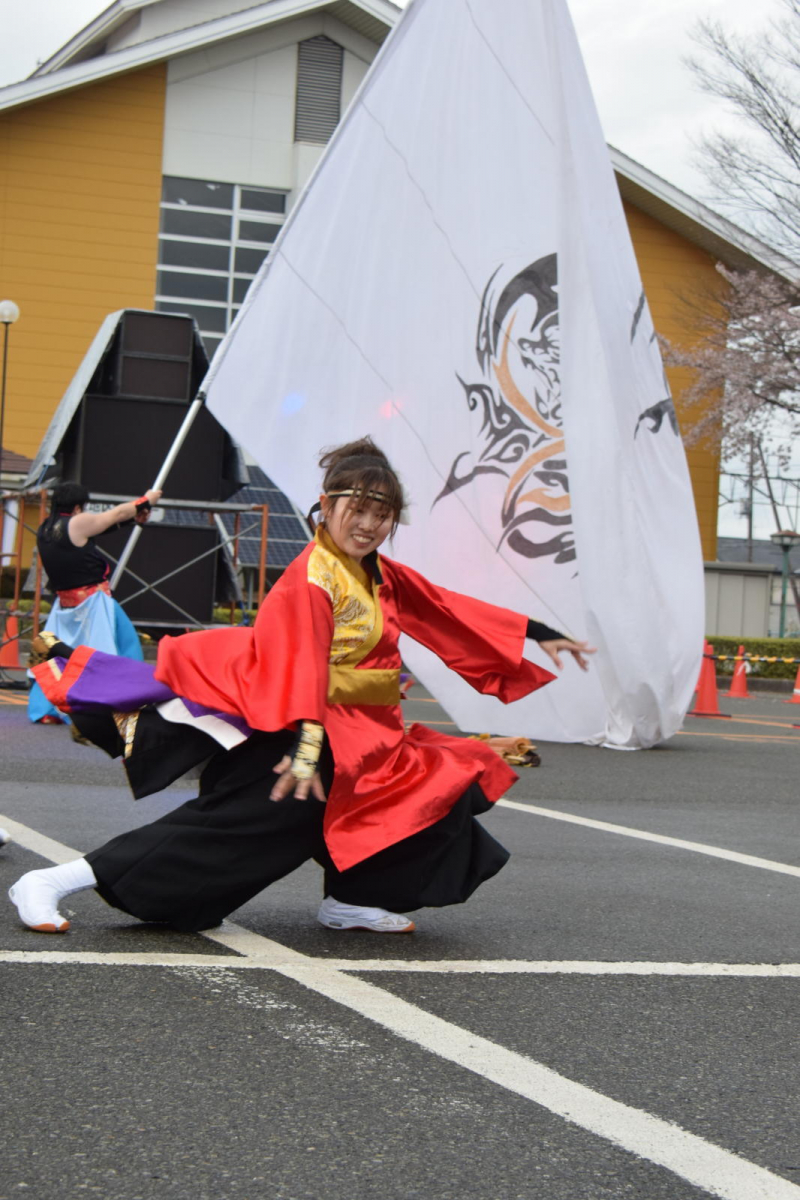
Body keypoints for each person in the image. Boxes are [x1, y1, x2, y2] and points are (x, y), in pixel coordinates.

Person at [9, 438, 593, 936]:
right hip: (296, 727)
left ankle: (352, 900)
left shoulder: (378, 572)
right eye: (357, 508)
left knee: (425, 799)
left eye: (382, 512)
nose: (369, 524)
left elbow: (444, 610)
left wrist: (538, 633)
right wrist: (307, 747)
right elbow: (299, 664)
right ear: (326, 506)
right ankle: (53, 879)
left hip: (365, 734)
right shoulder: (311, 576)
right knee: (241, 828)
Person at [27, 482, 162, 724]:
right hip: (92, 603)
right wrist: (147, 500)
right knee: (122, 648)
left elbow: (103, 526)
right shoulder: (76, 522)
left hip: (65, 604)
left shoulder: (46, 527)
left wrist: (134, 520)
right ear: (78, 506)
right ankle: (123, 702)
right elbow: (116, 514)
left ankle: (46, 708)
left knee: (56, 656)